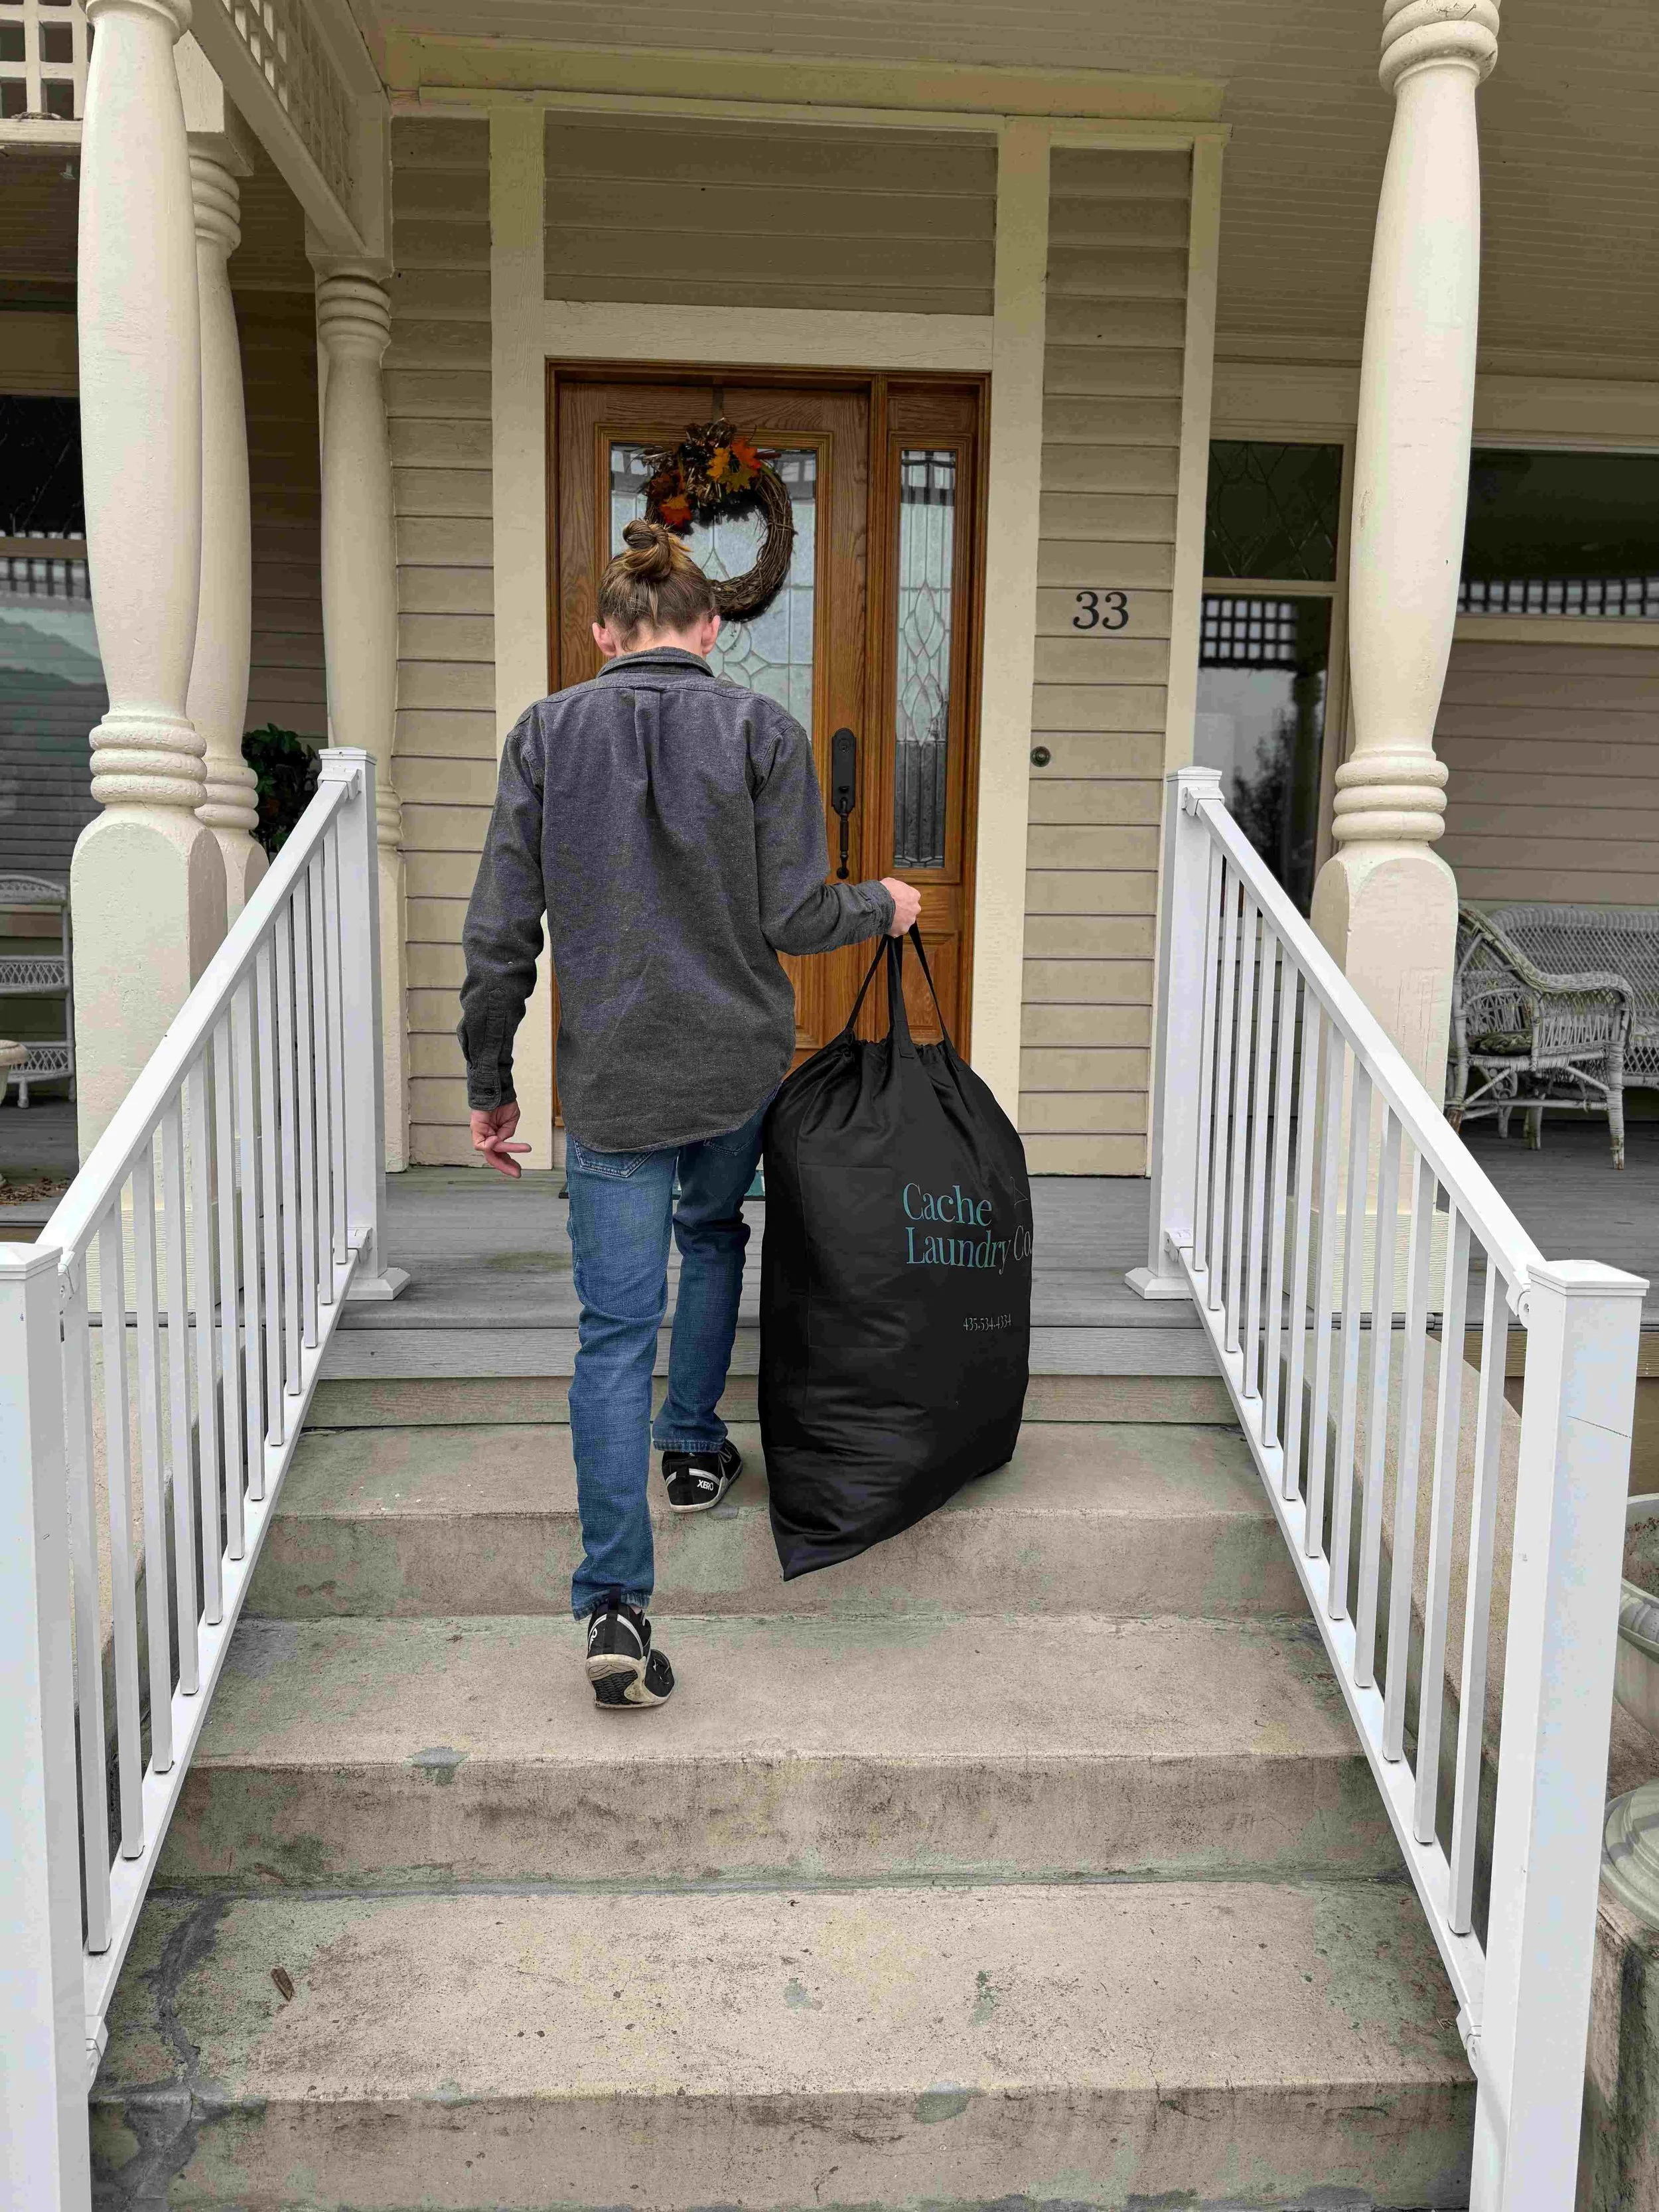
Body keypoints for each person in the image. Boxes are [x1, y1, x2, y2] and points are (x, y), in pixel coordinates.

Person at [459, 519, 920, 1709]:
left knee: (612, 1331)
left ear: (604, 633)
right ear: (711, 630)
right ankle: (696, 1451)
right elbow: (797, 919)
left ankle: (616, 1598)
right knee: (714, 1237)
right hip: (733, 1067)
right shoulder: (763, 730)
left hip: (612, 1078)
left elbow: (500, 932)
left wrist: (489, 1081)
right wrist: (886, 904)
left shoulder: (546, 734)